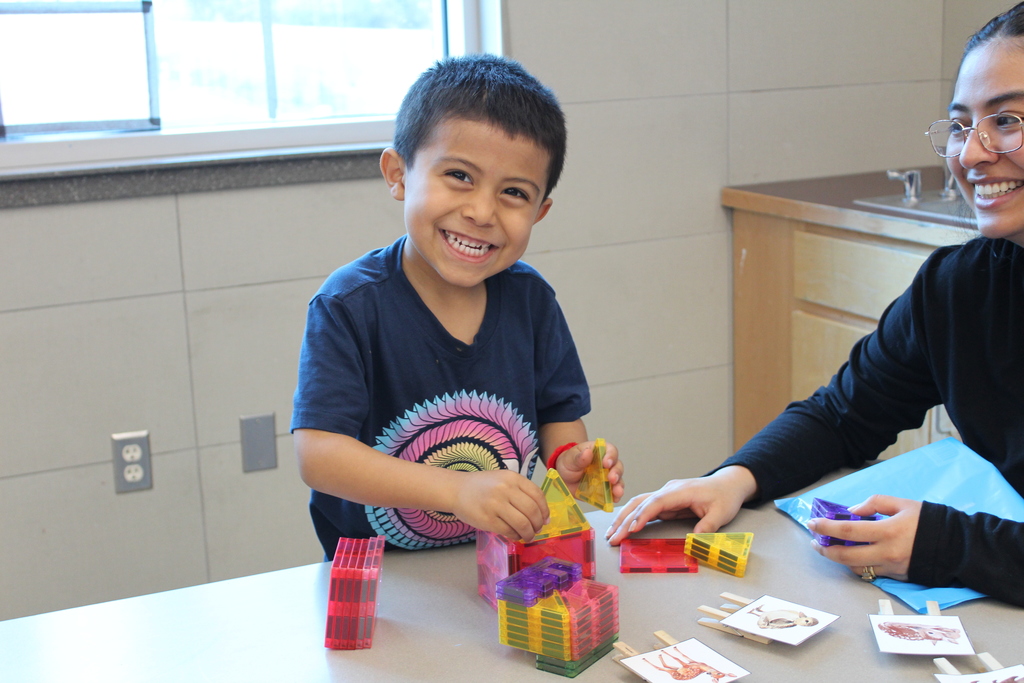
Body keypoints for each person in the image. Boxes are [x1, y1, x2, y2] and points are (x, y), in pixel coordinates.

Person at [607, 3, 1024, 607]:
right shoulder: (958, 288)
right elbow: (843, 414)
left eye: (1007, 120)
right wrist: (731, 479)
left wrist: (944, 544)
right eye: (960, 126)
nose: (972, 153)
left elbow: (953, 542)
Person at [291, 54, 624, 558]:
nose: (481, 212)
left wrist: (567, 461)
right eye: (460, 176)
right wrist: (456, 491)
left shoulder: (531, 301)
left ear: (540, 211)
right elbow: (320, 456)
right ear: (398, 174)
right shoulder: (349, 306)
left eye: (514, 192)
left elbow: (559, 413)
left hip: (493, 563)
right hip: (378, 582)